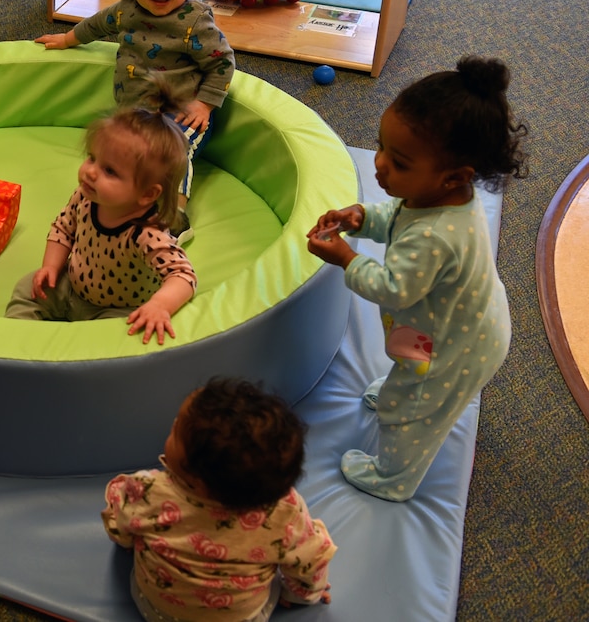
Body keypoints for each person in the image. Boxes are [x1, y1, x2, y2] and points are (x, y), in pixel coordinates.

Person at [306, 55, 527, 502]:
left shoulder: (438, 237)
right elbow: (399, 216)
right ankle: (408, 382)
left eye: (400, 163)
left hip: (453, 348)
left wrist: (345, 258)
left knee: (409, 414)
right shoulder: (436, 198)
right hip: (448, 326)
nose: (379, 165)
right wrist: (362, 216)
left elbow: (393, 288)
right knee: (409, 378)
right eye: (380, 147)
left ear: (454, 177)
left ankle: (394, 479)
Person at [36, 0, 236, 245]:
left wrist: (204, 104)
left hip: (181, 112)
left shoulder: (194, 21)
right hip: (135, 109)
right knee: (122, 153)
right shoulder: (126, 10)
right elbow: (96, 25)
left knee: (173, 154)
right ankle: (127, 198)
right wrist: (68, 39)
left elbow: (223, 62)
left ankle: (175, 215)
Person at [103, 377, 337, 621]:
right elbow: (312, 562)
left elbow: (118, 526)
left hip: (157, 611)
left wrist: (127, 542)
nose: (173, 424)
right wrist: (301, 594)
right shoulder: (286, 512)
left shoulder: (149, 491)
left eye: (176, 430)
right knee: (305, 544)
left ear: (198, 480)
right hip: (243, 617)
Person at [4, 92, 196, 345]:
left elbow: (183, 275)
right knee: (27, 287)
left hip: (115, 310)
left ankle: (77, 357)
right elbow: (63, 229)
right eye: (92, 158)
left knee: (119, 339)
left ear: (147, 194)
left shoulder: (147, 233)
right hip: (71, 287)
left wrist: (160, 305)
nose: (91, 172)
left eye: (110, 171)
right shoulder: (85, 197)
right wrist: (51, 267)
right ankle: (18, 344)